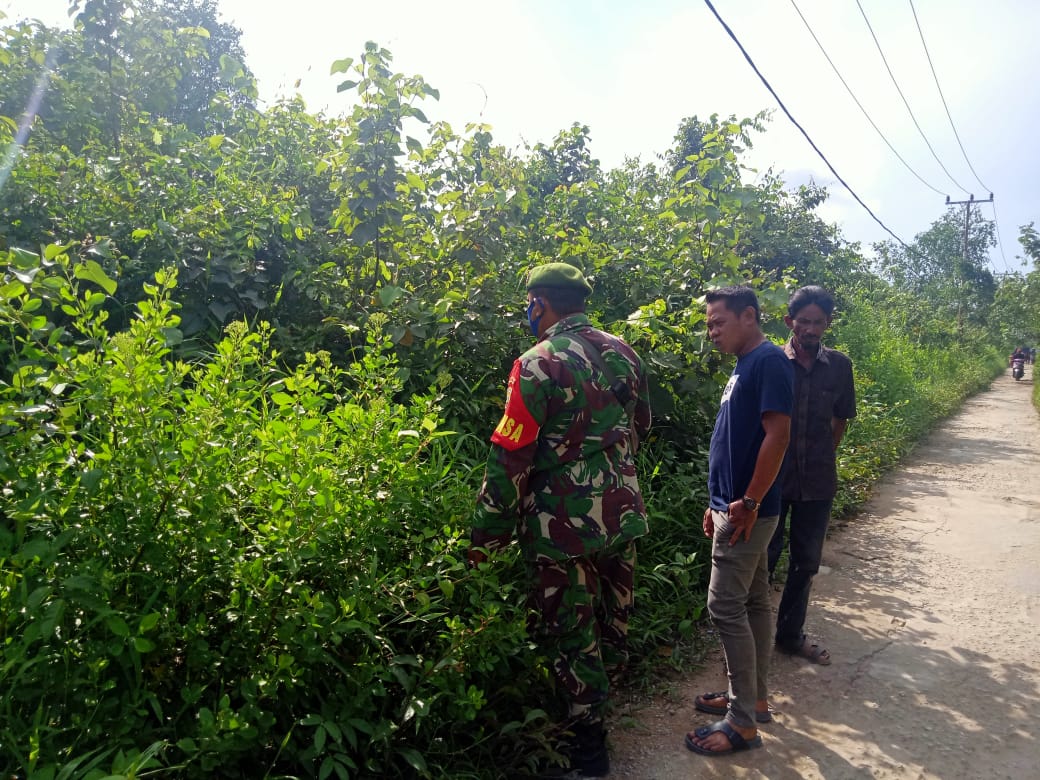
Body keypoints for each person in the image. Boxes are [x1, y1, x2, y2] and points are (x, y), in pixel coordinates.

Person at [467, 262, 651, 778]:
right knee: (613, 618)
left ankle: (587, 750)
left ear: (540, 303)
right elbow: (641, 426)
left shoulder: (536, 363)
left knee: (572, 631)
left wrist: (487, 534)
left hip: (563, 525)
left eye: (530, 303)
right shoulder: (625, 352)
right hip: (622, 512)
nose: (528, 311)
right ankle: (606, 704)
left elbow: (510, 456)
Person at [686, 286, 793, 757]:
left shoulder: (767, 361)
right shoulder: (745, 363)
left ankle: (742, 721)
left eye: (717, 322)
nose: (711, 332)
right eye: (709, 324)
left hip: (747, 512)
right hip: (734, 507)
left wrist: (747, 501)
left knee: (724, 607)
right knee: (752, 603)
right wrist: (717, 502)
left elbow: (779, 436)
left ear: (749, 316)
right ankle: (754, 698)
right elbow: (737, 440)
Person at [766, 286, 856, 666]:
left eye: (819, 322)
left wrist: (820, 456)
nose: (812, 328)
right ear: (790, 322)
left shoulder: (839, 366)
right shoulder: (769, 362)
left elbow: (840, 421)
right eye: (804, 321)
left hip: (817, 482)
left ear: (828, 324)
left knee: (805, 563)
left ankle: (789, 636)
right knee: (762, 563)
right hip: (771, 481)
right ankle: (747, 645)